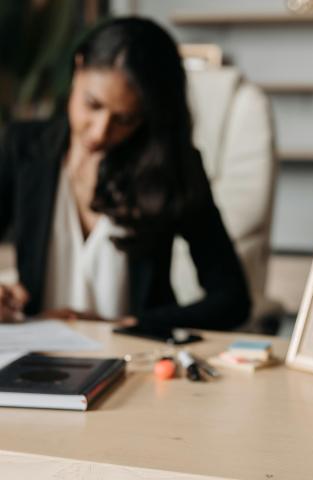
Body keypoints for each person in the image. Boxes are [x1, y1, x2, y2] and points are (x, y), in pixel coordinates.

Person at [0, 17, 251, 332]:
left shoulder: (170, 168)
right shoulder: (22, 148)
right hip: (35, 358)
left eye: (126, 119)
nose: (101, 131)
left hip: (136, 360)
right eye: (92, 105)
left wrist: (132, 324)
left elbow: (232, 299)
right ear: (78, 67)